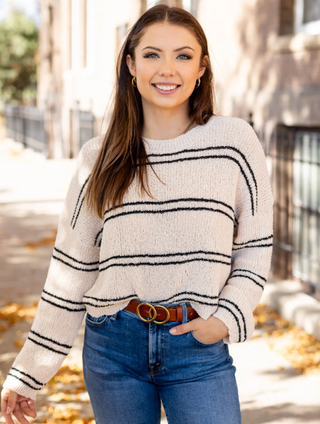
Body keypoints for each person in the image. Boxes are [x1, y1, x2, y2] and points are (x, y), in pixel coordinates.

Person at [1, 4, 274, 424]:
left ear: (202, 67)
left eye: (183, 55)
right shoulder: (98, 157)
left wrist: (226, 317)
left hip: (198, 348)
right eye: (152, 54)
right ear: (130, 64)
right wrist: (28, 374)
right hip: (114, 348)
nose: (168, 69)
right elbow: (71, 271)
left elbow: (255, 245)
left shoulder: (234, 141)